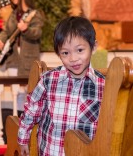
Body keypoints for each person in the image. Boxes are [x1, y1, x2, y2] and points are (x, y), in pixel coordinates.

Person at [18, 16, 105, 156]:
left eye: (80, 50)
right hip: (50, 151)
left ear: (93, 47)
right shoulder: (48, 80)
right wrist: (23, 139)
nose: (73, 58)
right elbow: (31, 110)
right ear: (58, 54)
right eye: (65, 53)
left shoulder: (103, 86)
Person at [0, 0, 44, 111]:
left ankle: (29, 125)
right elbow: (7, 31)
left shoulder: (34, 14)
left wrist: (26, 29)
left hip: (28, 59)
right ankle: (17, 125)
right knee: (16, 93)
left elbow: (37, 33)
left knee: (29, 93)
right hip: (13, 59)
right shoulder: (13, 14)